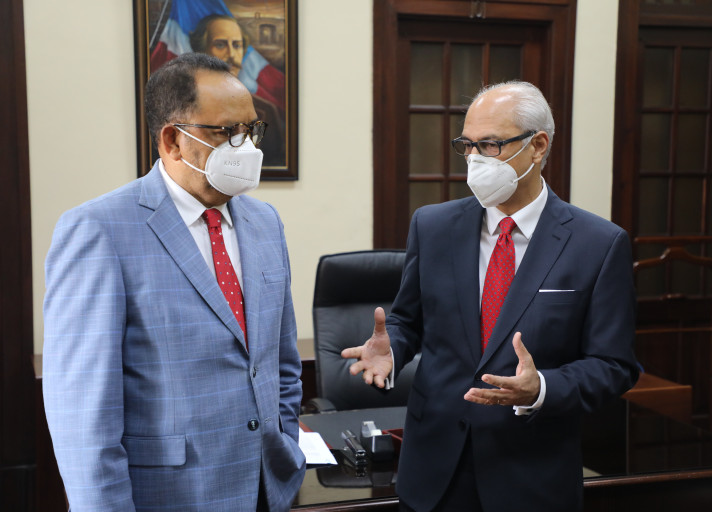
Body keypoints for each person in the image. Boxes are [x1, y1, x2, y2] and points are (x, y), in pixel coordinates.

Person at [342, 81, 639, 511]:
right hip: (434, 471)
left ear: (537, 146)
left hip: (531, 475)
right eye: (467, 145)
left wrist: (541, 388)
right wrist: (394, 351)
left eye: (490, 145)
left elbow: (614, 365)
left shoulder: (598, 243)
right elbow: (409, 321)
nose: (474, 159)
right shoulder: (432, 226)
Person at [43, 53, 305, 512]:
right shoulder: (98, 231)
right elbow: (84, 421)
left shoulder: (266, 222)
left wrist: (284, 439)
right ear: (173, 141)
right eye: (227, 132)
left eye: (251, 130)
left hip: (269, 487)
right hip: (170, 496)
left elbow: (281, 363)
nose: (246, 147)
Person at [189, 14, 286, 168]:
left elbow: (272, 165)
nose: (232, 55)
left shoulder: (266, 111)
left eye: (237, 45)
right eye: (220, 45)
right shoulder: (182, 107)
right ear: (201, 51)